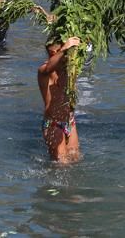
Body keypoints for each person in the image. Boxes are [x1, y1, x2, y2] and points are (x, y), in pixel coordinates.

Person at [38, 35, 82, 163]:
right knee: (61, 165)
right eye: (63, 52)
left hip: (70, 122)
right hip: (53, 124)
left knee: (75, 159)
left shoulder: (68, 69)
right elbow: (48, 68)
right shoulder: (43, 70)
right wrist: (64, 49)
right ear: (54, 53)